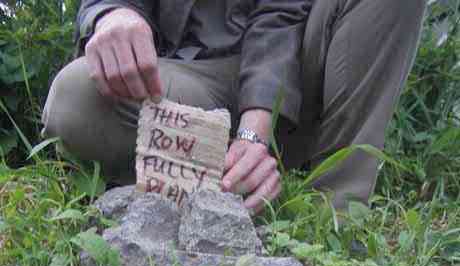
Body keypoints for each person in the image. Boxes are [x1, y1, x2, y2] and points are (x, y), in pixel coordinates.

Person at [42, 0, 427, 214]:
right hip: (185, 77)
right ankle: (213, 177)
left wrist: (254, 131)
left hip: (297, 67)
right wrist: (113, 13)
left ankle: (335, 208)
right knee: (74, 97)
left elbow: (280, 16)